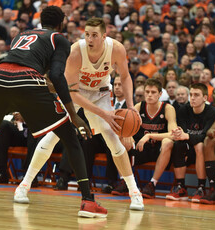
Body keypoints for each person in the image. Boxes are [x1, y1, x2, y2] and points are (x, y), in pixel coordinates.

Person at [0, 6, 107, 218]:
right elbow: (57, 76)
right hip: (26, 80)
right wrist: (74, 115)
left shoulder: (22, 35)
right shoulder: (59, 39)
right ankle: (88, 201)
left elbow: (26, 64)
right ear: (61, 24)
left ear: (41, 22)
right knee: (70, 136)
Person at [14, 17, 144, 211]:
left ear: (103, 36)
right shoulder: (75, 52)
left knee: (111, 137)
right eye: (87, 34)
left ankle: (135, 193)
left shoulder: (116, 49)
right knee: (54, 135)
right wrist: (104, 114)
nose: (90, 39)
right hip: (76, 94)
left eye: (94, 35)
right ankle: (24, 186)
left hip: (100, 93)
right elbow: (72, 94)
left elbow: (125, 77)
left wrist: (132, 106)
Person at [166, 83, 215, 202]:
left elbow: (205, 136)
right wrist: (185, 136)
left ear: (205, 98)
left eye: (196, 95)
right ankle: (181, 187)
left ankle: (201, 187)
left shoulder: (213, 112)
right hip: (187, 148)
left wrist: (187, 136)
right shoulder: (183, 109)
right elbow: (182, 134)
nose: (192, 98)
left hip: (206, 152)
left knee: (200, 145)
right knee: (178, 144)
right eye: (191, 95)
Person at [133, 79, 177, 199]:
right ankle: (125, 181)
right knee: (123, 140)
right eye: (147, 92)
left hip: (160, 150)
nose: (149, 95)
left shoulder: (168, 108)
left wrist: (149, 135)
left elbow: (173, 134)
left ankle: (152, 184)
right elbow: (127, 128)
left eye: (153, 92)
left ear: (160, 94)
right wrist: (127, 137)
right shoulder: (139, 107)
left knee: (168, 142)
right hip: (144, 148)